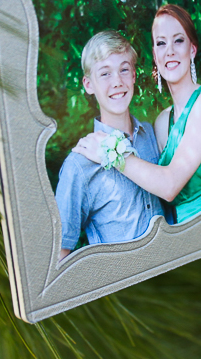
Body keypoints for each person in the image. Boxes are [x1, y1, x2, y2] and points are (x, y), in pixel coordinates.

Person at [74, 4, 201, 223]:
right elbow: (154, 191)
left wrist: (109, 152)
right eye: (161, 43)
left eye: (178, 40)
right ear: (155, 56)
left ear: (192, 49)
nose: (170, 51)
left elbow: (169, 186)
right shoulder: (161, 122)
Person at [55, 31, 164, 261]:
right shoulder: (79, 165)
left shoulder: (152, 136)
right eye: (104, 73)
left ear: (134, 75)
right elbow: (59, 257)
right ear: (88, 84)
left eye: (124, 69)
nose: (117, 82)